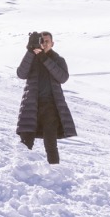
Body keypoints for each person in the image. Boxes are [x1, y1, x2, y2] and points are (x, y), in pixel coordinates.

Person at [15, 31, 76, 165]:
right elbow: (21, 73)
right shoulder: (31, 57)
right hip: (31, 106)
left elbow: (62, 77)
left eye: (47, 41)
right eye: (42, 41)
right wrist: (30, 52)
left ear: (52, 44)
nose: (44, 44)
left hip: (51, 108)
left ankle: (55, 172)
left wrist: (44, 58)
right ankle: (22, 171)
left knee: (50, 144)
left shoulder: (58, 59)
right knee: (25, 142)